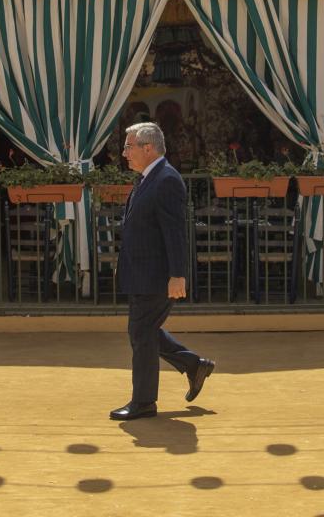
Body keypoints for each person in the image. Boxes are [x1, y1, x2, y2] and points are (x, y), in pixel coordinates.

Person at [111, 121, 213, 421]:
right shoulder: (148, 177)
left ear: (148, 147)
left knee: (141, 333)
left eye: (129, 146)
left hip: (155, 275)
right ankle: (194, 365)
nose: (124, 152)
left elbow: (175, 232)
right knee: (144, 331)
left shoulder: (166, 179)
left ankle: (144, 402)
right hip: (142, 272)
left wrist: (177, 274)